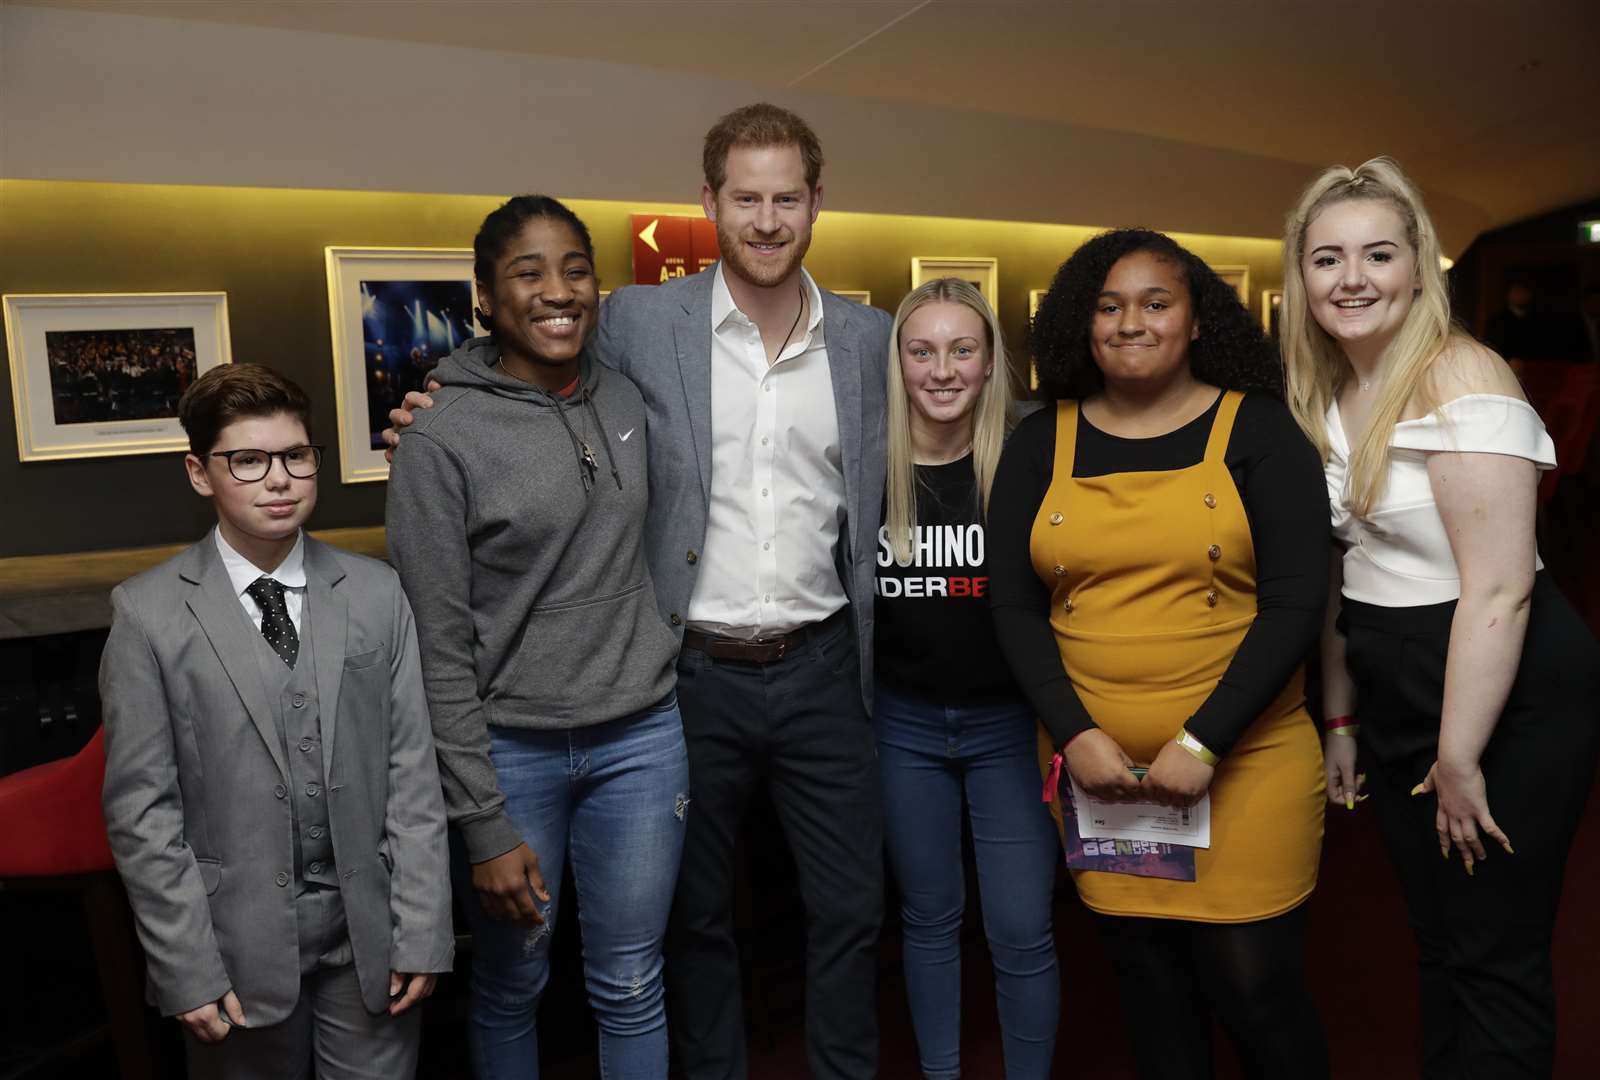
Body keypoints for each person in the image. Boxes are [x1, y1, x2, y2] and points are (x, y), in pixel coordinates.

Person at [387, 104, 892, 1080]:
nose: (768, 218)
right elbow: (523, 370)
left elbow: (958, 418)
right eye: (746, 197)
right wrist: (432, 397)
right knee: (690, 922)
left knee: (850, 909)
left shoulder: (869, 340)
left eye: (788, 197)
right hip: (685, 673)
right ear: (708, 204)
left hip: (824, 664)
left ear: (818, 203)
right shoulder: (637, 322)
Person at [1282, 157, 1600, 1079]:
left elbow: (1500, 588)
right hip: (1392, 677)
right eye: (1327, 258)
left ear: (1421, 265)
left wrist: (1458, 758)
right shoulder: (1332, 390)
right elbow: (1352, 569)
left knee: (1494, 953)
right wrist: (1340, 715)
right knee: (1438, 939)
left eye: (1378, 254)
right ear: (1300, 277)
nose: (1352, 278)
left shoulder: (1461, 371)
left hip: (1500, 682)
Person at [987, 229, 1332, 1078]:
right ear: (1080, 321)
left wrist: (1202, 742)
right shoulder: (1040, 443)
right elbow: (1015, 609)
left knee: (1257, 995)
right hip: (1101, 776)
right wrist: (1077, 737)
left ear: (1198, 321)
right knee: (1149, 988)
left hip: (1243, 762)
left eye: (1154, 302)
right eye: (1107, 306)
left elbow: (1294, 606)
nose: (1129, 322)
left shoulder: (1261, 433)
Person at [385, 196, 687, 1078]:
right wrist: (480, 822)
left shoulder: (626, 394)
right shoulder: (440, 437)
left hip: (642, 738)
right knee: (513, 986)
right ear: (485, 296)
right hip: (512, 756)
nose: (557, 291)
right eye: (527, 272)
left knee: (632, 982)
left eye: (576, 269)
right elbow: (434, 650)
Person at [99, 363, 453, 1079]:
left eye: (296, 455)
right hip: (232, 948)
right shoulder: (148, 614)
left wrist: (422, 931)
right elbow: (143, 813)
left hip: (369, 932)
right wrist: (184, 967)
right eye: (249, 461)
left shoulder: (378, 594)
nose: (279, 479)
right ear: (201, 473)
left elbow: (411, 773)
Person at [876, 278, 1058, 1078]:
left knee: (1022, 927)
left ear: (989, 365)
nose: (941, 370)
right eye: (922, 351)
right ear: (900, 364)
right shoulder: (861, 464)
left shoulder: (1029, 462)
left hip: (1009, 727)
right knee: (929, 919)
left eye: (961, 350)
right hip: (900, 726)